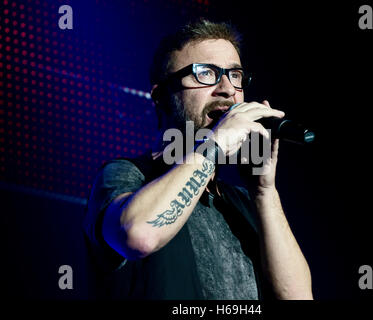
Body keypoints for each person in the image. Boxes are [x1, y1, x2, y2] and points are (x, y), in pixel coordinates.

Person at [83, 19, 313, 300]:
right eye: (205, 73)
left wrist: (263, 190)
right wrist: (214, 142)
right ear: (161, 97)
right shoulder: (127, 176)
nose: (227, 89)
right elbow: (139, 235)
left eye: (236, 75)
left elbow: (298, 297)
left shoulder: (243, 202)